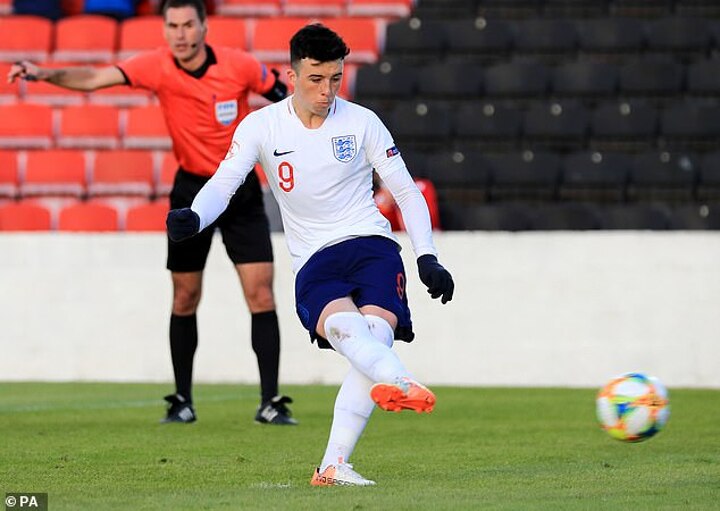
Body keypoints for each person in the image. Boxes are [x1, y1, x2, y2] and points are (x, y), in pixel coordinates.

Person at [166, 23, 455, 486]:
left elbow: (405, 190)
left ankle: (335, 465)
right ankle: (395, 381)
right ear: (292, 76)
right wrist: (196, 216)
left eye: (335, 78)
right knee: (349, 331)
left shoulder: (362, 122)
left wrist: (427, 256)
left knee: (373, 336)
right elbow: (224, 182)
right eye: (316, 79)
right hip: (314, 257)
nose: (327, 91)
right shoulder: (262, 126)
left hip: (372, 245)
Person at [7, 0, 297, 426]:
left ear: (204, 27)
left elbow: (288, 102)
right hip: (190, 190)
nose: (180, 34)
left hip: (239, 190)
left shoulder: (240, 65)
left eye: (188, 25)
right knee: (184, 296)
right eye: (172, 26)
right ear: (164, 29)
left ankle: (270, 402)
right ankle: (182, 401)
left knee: (261, 294)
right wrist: (44, 73)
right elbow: (94, 79)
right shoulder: (155, 65)